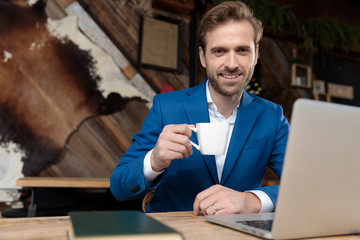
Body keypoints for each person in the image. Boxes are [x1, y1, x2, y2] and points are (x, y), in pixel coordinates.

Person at [110, 1, 289, 215]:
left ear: (256, 55)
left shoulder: (272, 116)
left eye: (242, 50)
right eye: (219, 51)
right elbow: (119, 187)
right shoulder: (166, 107)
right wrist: (154, 160)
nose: (231, 63)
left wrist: (253, 201)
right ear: (203, 57)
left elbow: (305, 184)